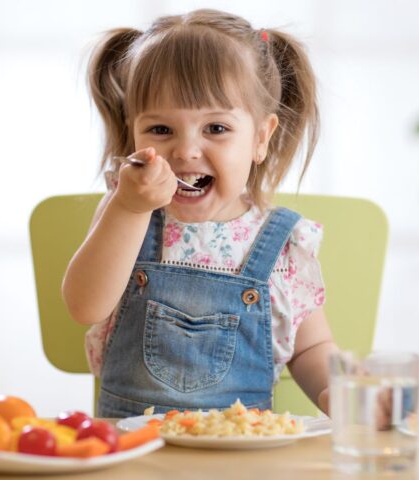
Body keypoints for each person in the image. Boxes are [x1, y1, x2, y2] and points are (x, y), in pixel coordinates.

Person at [62, 9, 338, 418]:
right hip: (134, 453)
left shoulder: (283, 244)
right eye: (160, 130)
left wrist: (338, 393)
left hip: (239, 456)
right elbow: (85, 307)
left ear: (261, 138)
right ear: (133, 130)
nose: (186, 151)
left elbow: (312, 347)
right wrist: (129, 207)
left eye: (216, 129)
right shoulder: (126, 215)